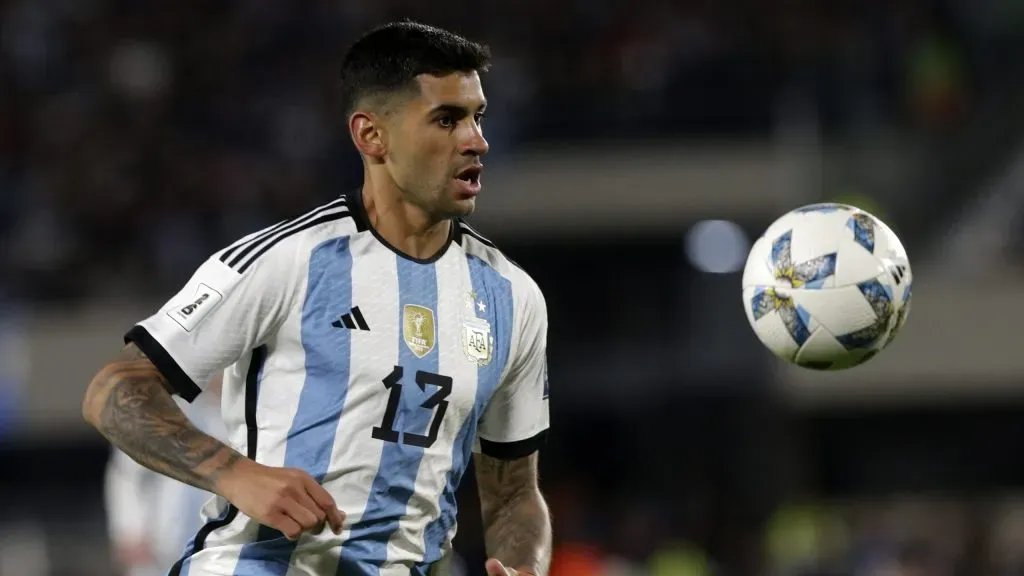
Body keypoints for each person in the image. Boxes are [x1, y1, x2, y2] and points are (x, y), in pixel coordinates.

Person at [82, 20, 552, 576]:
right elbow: (115, 390)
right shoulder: (289, 260)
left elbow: (514, 494)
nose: (476, 140)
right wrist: (235, 473)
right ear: (370, 136)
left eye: (477, 117)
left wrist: (523, 566)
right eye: (447, 119)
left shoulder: (512, 297)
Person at [104, 376, 226, 576]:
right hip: (155, 549)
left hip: (209, 549)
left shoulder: (221, 419)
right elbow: (126, 476)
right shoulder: (156, 414)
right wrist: (129, 532)